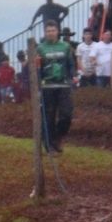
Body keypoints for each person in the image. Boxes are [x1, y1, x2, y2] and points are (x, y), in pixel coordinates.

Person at [30, 19, 77, 152]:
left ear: (57, 32)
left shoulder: (66, 47)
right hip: (47, 86)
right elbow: (35, 68)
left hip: (63, 85)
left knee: (66, 114)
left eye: (53, 30)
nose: (50, 33)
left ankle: (58, 137)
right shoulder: (40, 48)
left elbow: (71, 64)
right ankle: (49, 144)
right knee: (48, 117)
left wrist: (73, 75)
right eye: (48, 31)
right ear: (45, 33)